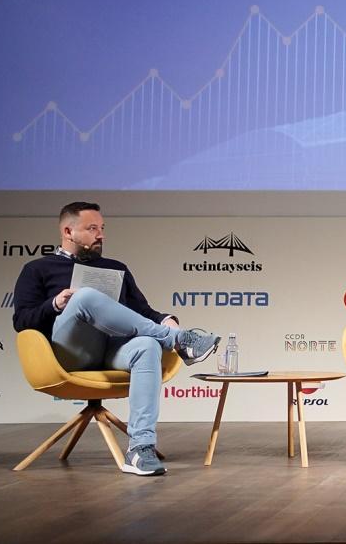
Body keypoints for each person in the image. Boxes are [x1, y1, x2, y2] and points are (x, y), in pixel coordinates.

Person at [11, 202, 221, 477]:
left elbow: (142, 311)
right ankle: (180, 341)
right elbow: (21, 321)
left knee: (146, 345)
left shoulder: (115, 268)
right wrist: (55, 304)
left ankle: (140, 449)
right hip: (69, 353)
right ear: (68, 231)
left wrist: (165, 318)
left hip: (111, 350)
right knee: (84, 296)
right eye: (92, 228)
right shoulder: (38, 268)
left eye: (102, 228)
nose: (101, 235)